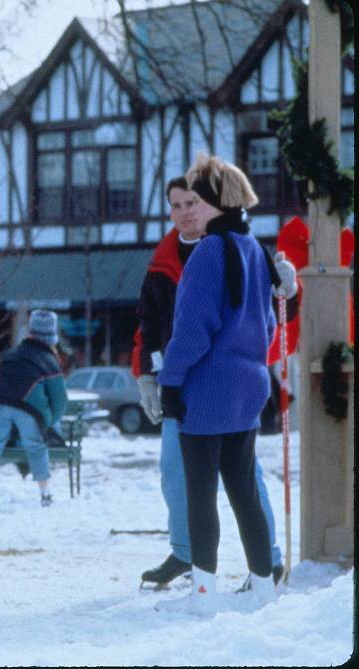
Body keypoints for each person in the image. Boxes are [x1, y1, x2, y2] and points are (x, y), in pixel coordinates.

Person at [133, 176, 296, 590]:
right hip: (213, 382)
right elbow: (148, 325)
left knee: (231, 483)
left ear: (212, 204)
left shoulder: (227, 249)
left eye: (193, 201)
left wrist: (290, 288)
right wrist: (146, 377)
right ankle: (188, 555)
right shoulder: (165, 259)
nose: (186, 211)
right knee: (180, 475)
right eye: (176, 205)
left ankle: (259, 566)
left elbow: (267, 316)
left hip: (198, 384)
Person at [0, 310, 67, 507]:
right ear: (52, 338)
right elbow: (60, 401)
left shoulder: (8, 355)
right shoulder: (50, 362)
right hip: (29, 410)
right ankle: (45, 493)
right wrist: (48, 423)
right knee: (36, 447)